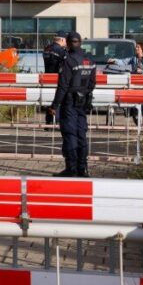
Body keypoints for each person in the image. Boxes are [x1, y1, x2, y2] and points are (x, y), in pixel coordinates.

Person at [49, 31, 97, 178]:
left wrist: (54, 105)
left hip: (69, 102)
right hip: (83, 102)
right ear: (80, 42)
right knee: (81, 134)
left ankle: (71, 169)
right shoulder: (90, 61)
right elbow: (93, 83)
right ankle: (83, 169)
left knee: (70, 135)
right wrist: (84, 94)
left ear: (68, 44)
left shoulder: (69, 60)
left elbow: (62, 86)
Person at [111, 42, 143, 131]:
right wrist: (114, 60)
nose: (136, 49)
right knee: (135, 100)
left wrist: (142, 71)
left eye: (138, 47)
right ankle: (137, 117)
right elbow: (123, 61)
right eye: (136, 47)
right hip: (136, 84)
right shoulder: (134, 58)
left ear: (142, 48)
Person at [42, 31, 68, 125]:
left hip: (47, 78)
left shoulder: (47, 48)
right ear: (61, 39)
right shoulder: (61, 51)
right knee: (57, 100)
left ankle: (48, 122)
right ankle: (56, 121)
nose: (66, 42)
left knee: (49, 100)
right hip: (57, 78)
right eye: (65, 40)